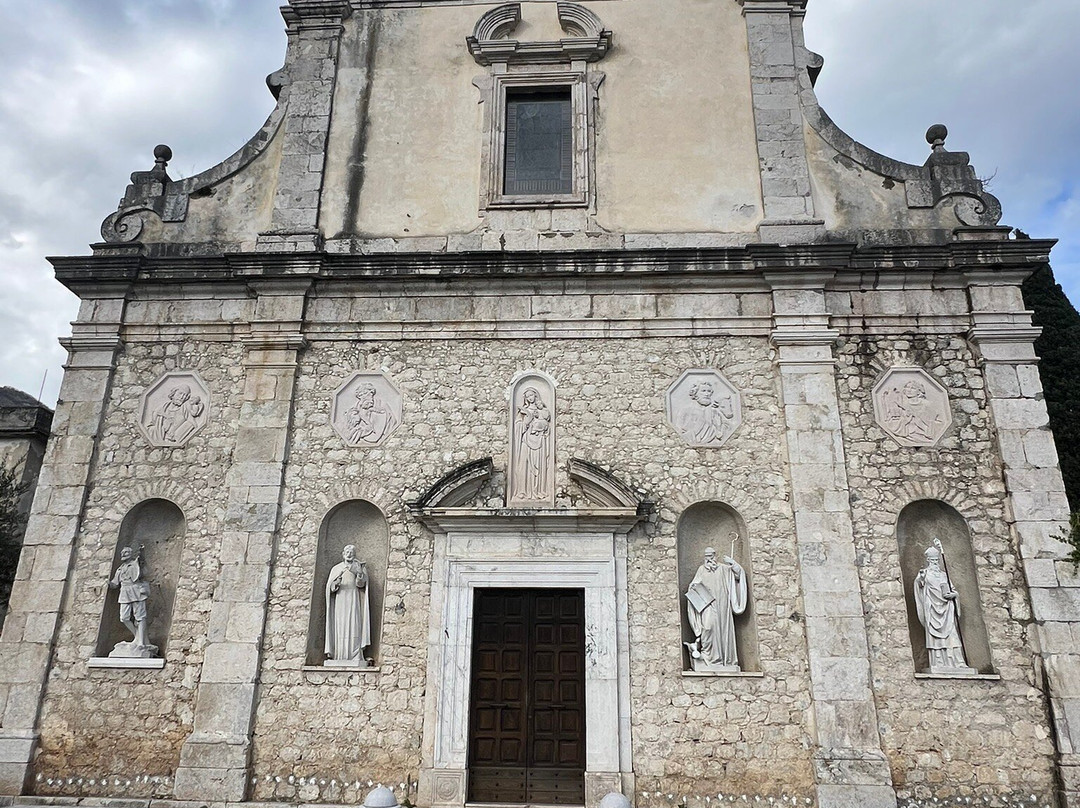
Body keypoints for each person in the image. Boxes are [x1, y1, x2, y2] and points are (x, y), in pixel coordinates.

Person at [686, 542, 747, 669]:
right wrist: (692, 587)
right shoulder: (701, 569)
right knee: (707, 628)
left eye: (711, 556)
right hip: (707, 605)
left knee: (724, 630)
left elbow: (738, 574)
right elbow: (694, 584)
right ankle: (708, 657)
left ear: (715, 556)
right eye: (706, 556)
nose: (709, 559)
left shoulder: (723, 568)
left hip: (722, 605)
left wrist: (733, 563)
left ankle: (724, 660)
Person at [914, 542, 970, 671]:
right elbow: (919, 587)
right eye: (932, 560)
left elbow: (952, 589)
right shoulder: (924, 574)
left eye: (936, 560)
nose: (935, 562)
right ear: (928, 560)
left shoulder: (944, 575)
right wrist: (920, 579)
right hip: (932, 609)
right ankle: (938, 662)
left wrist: (954, 595)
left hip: (947, 609)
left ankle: (958, 661)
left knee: (952, 635)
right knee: (935, 637)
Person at [324, 545, 371, 666]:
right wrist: (335, 585)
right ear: (343, 553)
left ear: (354, 554)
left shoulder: (358, 567)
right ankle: (339, 655)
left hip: (353, 600)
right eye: (347, 552)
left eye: (351, 552)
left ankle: (355, 654)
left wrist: (359, 574)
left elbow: (361, 585)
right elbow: (330, 588)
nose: (349, 554)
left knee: (354, 625)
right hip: (340, 601)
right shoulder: (336, 568)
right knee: (340, 626)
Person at [511, 387, 551, 502]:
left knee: (539, 463)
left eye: (531, 395)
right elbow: (518, 427)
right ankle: (523, 491)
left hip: (539, 441)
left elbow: (546, 425)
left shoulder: (542, 410)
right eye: (527, 396)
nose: (530, 398)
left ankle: (538, 490)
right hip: (526, 440)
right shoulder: (523, 411)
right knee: (524, 464)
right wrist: (526, 422)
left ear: (536, 396)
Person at [108, 545, 152, 651]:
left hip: (136, 590)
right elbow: (115, 583)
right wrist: (107, 583)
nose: (123, 554)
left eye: (126, 552)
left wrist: (142, 552)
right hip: (124, 592)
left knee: (140, 616)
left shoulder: (135, 563)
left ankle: (141, 642)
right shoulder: (120, 569)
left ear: (131, 554)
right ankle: (138, 637)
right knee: (124, 617)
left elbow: (142, 564)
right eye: (122, 553)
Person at [676, 382, 734, 446]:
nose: (706, 394)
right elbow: (680, 434)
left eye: (709, 391)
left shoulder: (714, 412)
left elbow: (726, 429)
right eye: (703, 391)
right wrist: (696, 430)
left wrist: (719, 427)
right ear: (695, 393)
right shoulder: (686, 411)